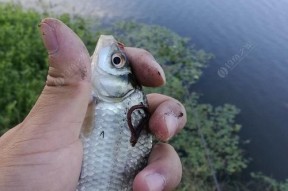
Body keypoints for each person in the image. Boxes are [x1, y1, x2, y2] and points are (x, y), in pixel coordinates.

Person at [0, 18, 187, 191]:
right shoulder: (84, 99)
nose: (106, 44)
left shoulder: (112, 100)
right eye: (117, 60)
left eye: (116, 62)